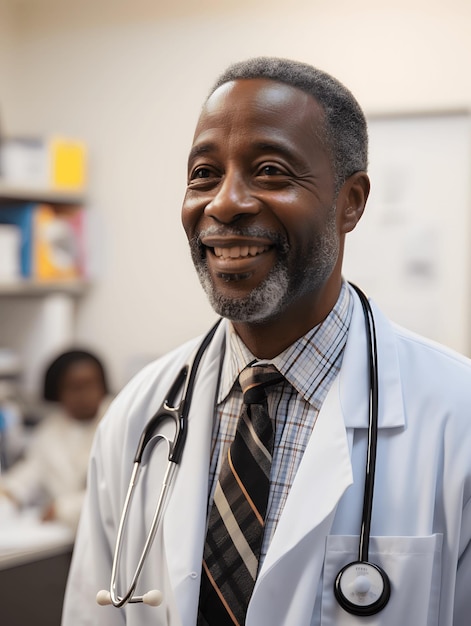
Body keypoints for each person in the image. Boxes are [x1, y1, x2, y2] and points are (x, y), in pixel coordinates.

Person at [62, 57, 471, 626]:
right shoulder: (137, 416)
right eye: (204, 173)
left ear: (350, 201)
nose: (224, 203)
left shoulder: (459, 415)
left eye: (272, 171)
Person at [0, 349, 111, 531]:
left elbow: (117, 491)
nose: (84, 395)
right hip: (66, 536)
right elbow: (33, 472)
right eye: (74, 388)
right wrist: (8, 492)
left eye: (91, 385)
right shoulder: (50, 430)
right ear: (58, 392)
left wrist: (64, 509)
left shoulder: (119, 424)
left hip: (108, 534)